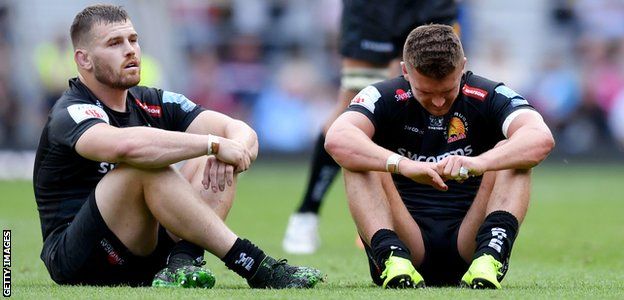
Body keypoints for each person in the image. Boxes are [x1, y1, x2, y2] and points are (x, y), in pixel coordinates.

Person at [32, 4, 322, 289]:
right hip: (81, 259)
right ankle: (254, 263)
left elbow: (240, 131)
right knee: (145, 166)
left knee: (214, 158)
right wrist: (213, 143)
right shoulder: (71, 111)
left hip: (145, 254)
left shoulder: (151, 100)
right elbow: (126, 147)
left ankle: (181, 263)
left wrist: (227, 147)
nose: (130, 50)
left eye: (133, 40)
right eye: (114, 43)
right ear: (84, 60)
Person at [324, 24, 554, 288]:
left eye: (447, 91)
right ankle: (392, 258)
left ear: (463, 67)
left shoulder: (488, 94)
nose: (438, 103)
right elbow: (337, 138)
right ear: (405, 71)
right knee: (357, 155)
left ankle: (490, 258)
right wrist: (404, 165)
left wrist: (480, 163)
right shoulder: (383, 95)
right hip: (408, 242)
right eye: (425, 92)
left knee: (511, 151)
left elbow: (541, 139)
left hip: (471, 241)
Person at [283, 0, 460, 254]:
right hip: (374, 7)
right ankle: (307, 212)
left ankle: (409, 217)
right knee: (355, 103)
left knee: (436, 91)